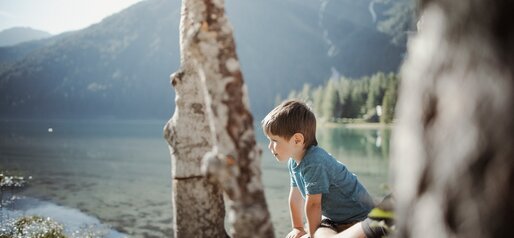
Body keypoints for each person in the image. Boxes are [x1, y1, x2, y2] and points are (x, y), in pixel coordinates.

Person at [261, 99, 375, 238]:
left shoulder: (314, 162)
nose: (269, 146)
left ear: (297, 140)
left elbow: (314, 205)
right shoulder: (293, 161)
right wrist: (297, 228)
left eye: (274, 140)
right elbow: (295, 198)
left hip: (359, 220)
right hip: (335, 219)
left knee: (318, 234)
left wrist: (312, 235)